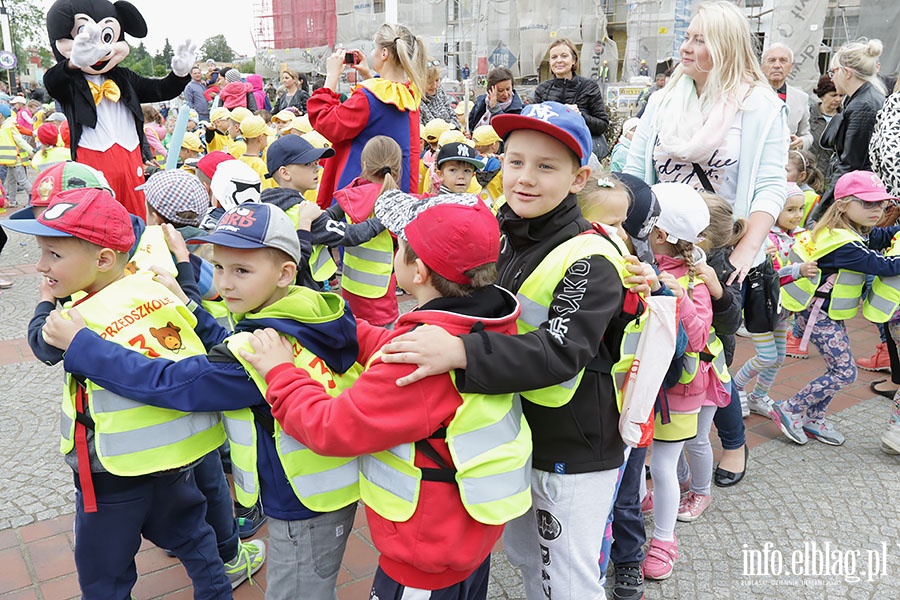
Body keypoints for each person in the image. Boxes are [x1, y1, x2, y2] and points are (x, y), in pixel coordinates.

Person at [377, 102, 648, 598]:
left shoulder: (592, 257)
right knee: (529, 563)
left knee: (564, 580)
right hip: (517, 437)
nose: (525, 177)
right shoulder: (499, 230)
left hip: (573, 448)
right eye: (516, 160)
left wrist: (461, 355)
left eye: (546, 166)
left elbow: (560, 352)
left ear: (578, 177)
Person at [37, 202, 360, 600]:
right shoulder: (302, 308)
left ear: (284, 273)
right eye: (220, 267)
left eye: (241, 271)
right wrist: (189, 304)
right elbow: (228, 343)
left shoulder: (261, 352)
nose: (224, 284)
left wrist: (83, 345)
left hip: (301, 499)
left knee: (296, 589)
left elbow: (172, 383)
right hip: (326, 486)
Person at [242, 192, 530, 599]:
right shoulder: (485, 323)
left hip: (421, 554)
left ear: (419, 271)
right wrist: (339, 328)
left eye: (400, 246)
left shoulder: (415, 366)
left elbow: (331, 429)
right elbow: (396, 343)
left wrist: (280, 372)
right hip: (466, 535)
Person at [7, 189, 232, 599]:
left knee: (103, 575)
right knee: (196, 542)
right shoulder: (153, 288)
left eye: (53, 255)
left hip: (110, 476)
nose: (41, 266)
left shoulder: (74, 318)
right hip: (177, 462)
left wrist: (44, 305)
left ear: (104, 260)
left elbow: (41, 347)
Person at [624, 0, 789, 482]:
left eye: (700, 39)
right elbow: (635, 171)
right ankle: (664, 449)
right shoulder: (663, 100)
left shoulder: (759, 106)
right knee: (662, 348)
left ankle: (733, 446)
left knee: (710, 356)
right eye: (688, 36)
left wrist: (739, 255)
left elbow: (770, 186)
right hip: (662, 242)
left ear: (726, 46)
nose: (687, 47)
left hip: (722, 248)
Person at [773, 171, 900, 446]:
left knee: (836, 367)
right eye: (868, 203)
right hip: (818, 315)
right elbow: (885, 266)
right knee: (844, 372)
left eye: (881, 204)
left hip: (824, 313)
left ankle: (813, 419)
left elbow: (878, 238)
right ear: (843, 204)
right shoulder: (844, 245)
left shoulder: (845, 231)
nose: (877, 210)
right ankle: (791, 408)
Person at [641, 183, 713, 580]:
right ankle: (636, 511)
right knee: (636, 462)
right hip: (641, 383)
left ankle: (665, 540)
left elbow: (700, 336)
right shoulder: (637, 260)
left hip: (680, 388)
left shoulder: (692, 277)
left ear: (660, 234)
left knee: (664, 465)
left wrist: (675, 295)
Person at [308, 23, 427, 209]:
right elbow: (382, 111)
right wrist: (368, 76)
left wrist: (331, 76)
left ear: (384, 54)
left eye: (374, 48)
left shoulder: (367, 98)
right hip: (396, 191)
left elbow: (326, 121)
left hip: (361, 195)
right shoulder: (409, 93)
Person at [735, 183, 815, 417]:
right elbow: (770, 278)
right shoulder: (765, 240)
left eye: (800, 209)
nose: (797, 215)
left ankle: (758, 396)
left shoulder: (801, 236)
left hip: (783, 311)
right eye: (790, 210)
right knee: (767, 356)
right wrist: (799, 270)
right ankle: (736, 387)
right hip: (760, 307)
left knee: (778, 357)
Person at [811, 39, 886, 221]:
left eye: (833, 72)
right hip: (862, 197)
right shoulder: (864, 99)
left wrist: (820, 214)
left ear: (848, 73)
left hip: (859, 200)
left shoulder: (863, 105)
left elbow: (850, 165)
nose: (832, 77)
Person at [534, 38, 610, 158]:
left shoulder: (589, 87)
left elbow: (602, 125)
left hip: (581, 152)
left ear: (574, 60)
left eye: (564, 56)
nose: (559, 60)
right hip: (549, 152)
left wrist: (580, 116)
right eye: (554, 57)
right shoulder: (542, 89)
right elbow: (535, 126)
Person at [761, 43, 812, 150]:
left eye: (783, 61)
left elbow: (806, 134)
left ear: (791, 67)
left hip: (787, 160)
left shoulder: (801, 98)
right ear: (762, 66)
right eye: (771, 60)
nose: (777, 65)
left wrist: (802, 141)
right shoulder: (750, 94)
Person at [467, 67, 524, 132]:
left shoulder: (518, 109)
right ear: (491, 90)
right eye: (500, 90)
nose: (505, 94)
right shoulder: (481, 102)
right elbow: (470, 125)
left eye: (508, 89)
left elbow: (506, 131)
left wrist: (495, 109)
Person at [808, 74, 843, 180]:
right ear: (822, 95)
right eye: (833, 95)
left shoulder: (843, 119)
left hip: (830, 177)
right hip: (807, 174)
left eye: (841, 96)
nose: (838, 99)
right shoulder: (808, 114)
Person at [0, 103, 33, 206]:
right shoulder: (7, 126)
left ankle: (34, 197)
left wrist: (32, 151)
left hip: (15, 160)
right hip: (11, 160)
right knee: (11, 181)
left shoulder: (8, 127)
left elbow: (20, 141)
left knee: (22, 181)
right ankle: (12, 201)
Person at [238, 115, 276, 190]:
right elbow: (267, 192)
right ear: (260, 138)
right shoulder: (260, 165)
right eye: (266, 136)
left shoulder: (240, 161)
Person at [420, 58, 457, 126]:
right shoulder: (415, 100)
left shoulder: (440, 90)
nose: (435, 86)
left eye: (437, 80)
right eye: (430, 82)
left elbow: (452, 115)